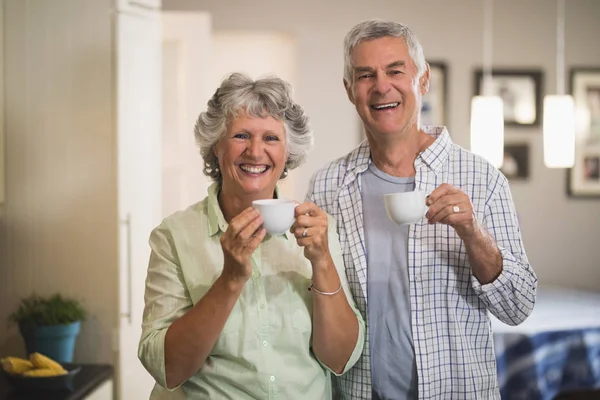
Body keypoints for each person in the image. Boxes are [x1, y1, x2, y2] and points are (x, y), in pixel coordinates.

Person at [307, 20, 537, 399]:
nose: (382, 86)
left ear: (423, 80)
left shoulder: (482, 179)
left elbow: (518, 306)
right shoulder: (328, 185)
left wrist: (472, 234)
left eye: (395, 70)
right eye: (366, 75)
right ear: (350, 91)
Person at [138, 72, 365, 399]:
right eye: (241, 136)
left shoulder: (318, 230)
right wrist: (230, 278)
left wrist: (323, 262)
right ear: (216, 145)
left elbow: (341, 359)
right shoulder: (174, 236)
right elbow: (168, 368)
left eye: (271, 138)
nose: (256, 152)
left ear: (288, 151)